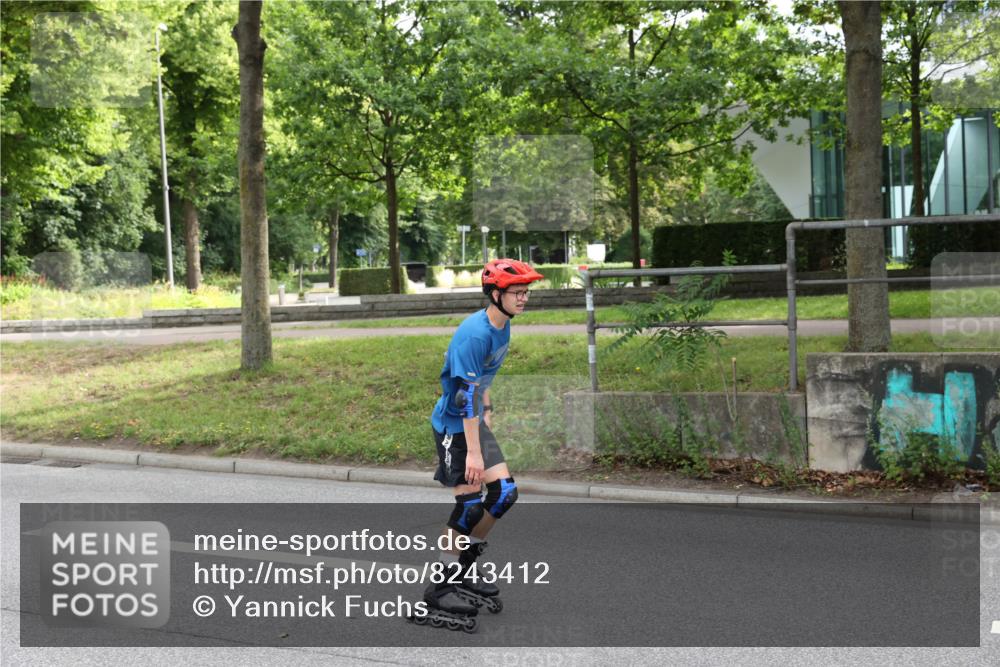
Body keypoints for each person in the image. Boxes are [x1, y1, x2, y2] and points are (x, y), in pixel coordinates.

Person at [422, 258, 544, 621]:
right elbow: (461, 396)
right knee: (468, 505)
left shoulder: (502, 325)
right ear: (495, 294)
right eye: (517, 293)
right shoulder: (475, 334)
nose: (524, 299)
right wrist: (473, 453)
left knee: (505, 493)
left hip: (473, 420)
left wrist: (487, 409)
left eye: (526, 293)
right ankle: (439, 587)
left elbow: (480, 383)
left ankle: (464, 568)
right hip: (453, 426)